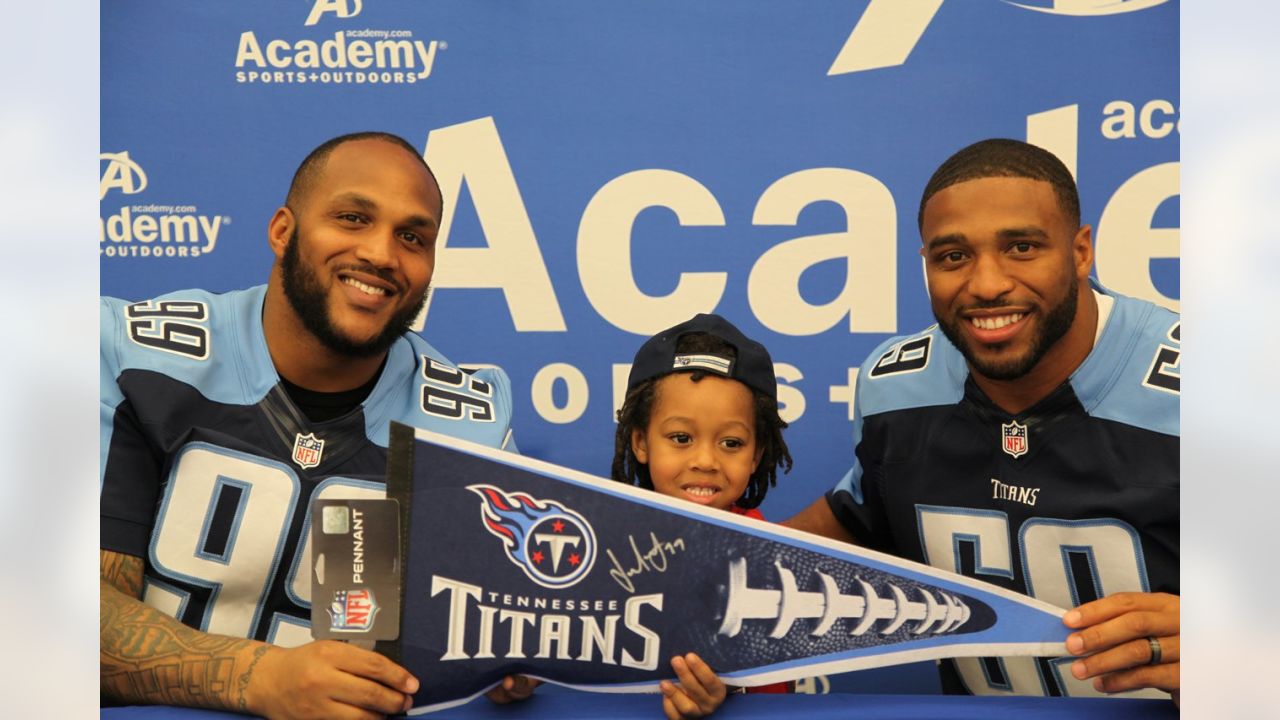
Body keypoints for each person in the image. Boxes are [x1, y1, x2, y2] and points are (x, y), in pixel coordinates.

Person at [100, 132, 516, 719]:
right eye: (352, 218)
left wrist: (505, 665)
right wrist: (261, 679)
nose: (381, 254)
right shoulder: (133, 359)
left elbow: (473, 643)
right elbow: (52, 618)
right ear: (282, 231)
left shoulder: (465, 421)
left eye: (412, 237)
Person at [785, 139, 1179, 703]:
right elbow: (855, 524)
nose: (987, 283)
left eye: (1021, 247)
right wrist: (691, 598)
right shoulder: (894, 386)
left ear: (1081, 251)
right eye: (953, 256)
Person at [614, 313, 794, 717]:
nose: (706, 461)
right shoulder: (604, 540)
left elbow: (777, 695)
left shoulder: (773, 557)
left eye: (731, 442)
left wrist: (727, 697)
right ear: (641, 441)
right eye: (681, 438)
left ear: (757, 454)